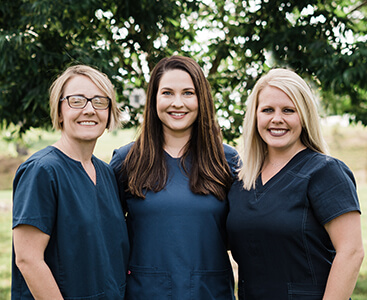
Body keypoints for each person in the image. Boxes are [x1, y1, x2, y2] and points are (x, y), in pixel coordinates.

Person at [227, 68, 364, 299]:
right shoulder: (241, 181)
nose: (276, 119)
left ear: (305, 116)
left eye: (288, 110)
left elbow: (351, 252)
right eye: (267, 110)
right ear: (255, 116)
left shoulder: (326, 172)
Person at [110, 55, 238, 299]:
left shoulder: (228, 161)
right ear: (154, 99)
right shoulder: (127, 161)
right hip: (144, 293)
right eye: (167, 93)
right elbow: (106, 236)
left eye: (188, 93)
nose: (177, 103)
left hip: (210, 293)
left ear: (202, 99)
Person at [12, 65, 130, 299]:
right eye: (76, 101)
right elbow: (28, 259)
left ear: (109, 114)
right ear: (58, 112)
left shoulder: (107, 173)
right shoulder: (42, 171)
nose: (89, 110)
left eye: (99, 101)